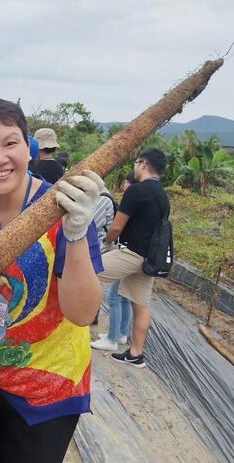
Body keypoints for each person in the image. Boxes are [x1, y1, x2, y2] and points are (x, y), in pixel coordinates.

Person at [0, 98, 103, 463]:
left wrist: (77, 232)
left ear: (28, 147)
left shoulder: (63, 208)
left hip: (45, 389)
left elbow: (83, 313)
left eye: (10, 143)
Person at [99, 149, 170, 368]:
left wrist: (106, 244)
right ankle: (136, 353)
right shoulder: (163, 196)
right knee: (141, 305)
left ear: (143, 164)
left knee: (86, 273)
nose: (135, 167)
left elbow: (117, 226)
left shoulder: (137, 191)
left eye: (137, 163)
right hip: (149, 261)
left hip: (130, 254)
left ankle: (68, 329)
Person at [91, 173, 137, 351]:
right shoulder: (145, 200)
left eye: (126, 181)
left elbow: (99, 224)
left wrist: (106, 244)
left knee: (113, 297)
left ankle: (112, 339)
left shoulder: (104, 198)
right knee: (124, 296)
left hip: (120, 251)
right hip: (132, 251)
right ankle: (121, 334)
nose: (124, 184)